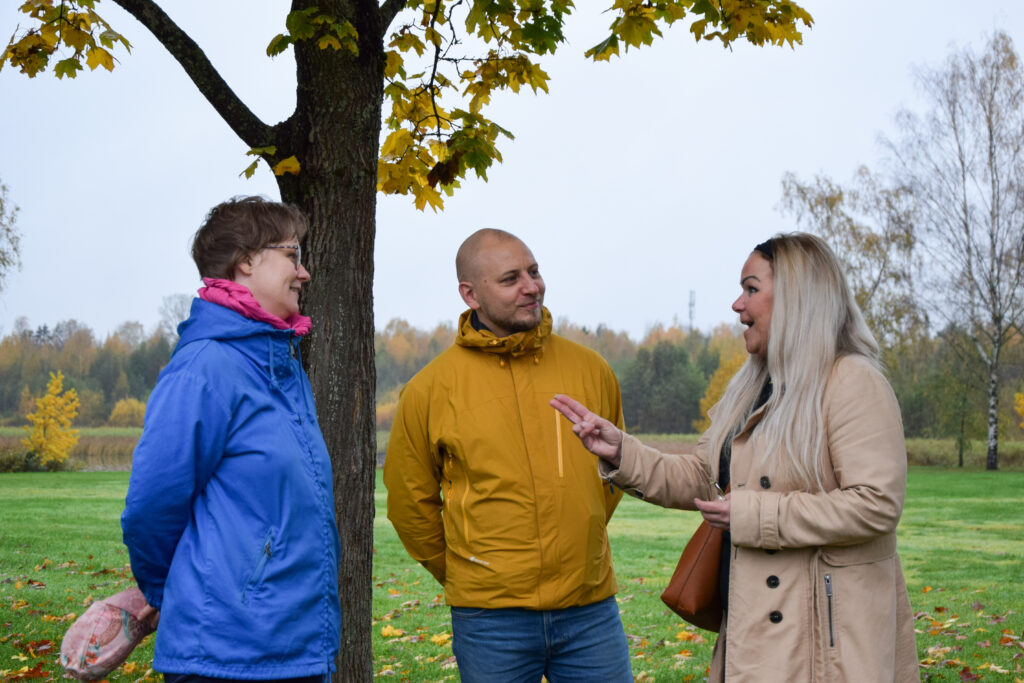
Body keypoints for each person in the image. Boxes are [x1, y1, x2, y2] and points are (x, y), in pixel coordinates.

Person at [551, 232, 920, 682]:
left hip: (825, 643)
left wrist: (754, 515)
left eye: (751, 288)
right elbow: (706, 477)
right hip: (754, 625)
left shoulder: (852, 382)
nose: (736, 305)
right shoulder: (751, 387)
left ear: (797, 298)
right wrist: (622, 451)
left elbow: (876, 504)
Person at [383, 228, 633, 682]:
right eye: (511, 278)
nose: (531, 286)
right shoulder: (429, 390)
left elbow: (611, 476)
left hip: (590, 611)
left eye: (534, 272)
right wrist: (470, 570)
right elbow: (409, 504)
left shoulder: (591, 370)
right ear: (470, 294)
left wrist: (579, 543)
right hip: (489, 621)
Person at [121, 196, 341, 683]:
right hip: (226, 656)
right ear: (245, 261)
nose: (304, 273)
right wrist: (166, 593)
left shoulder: (280, 363)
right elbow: (150, 508)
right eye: (293, 256)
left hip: (296, 648)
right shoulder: (206, 368)